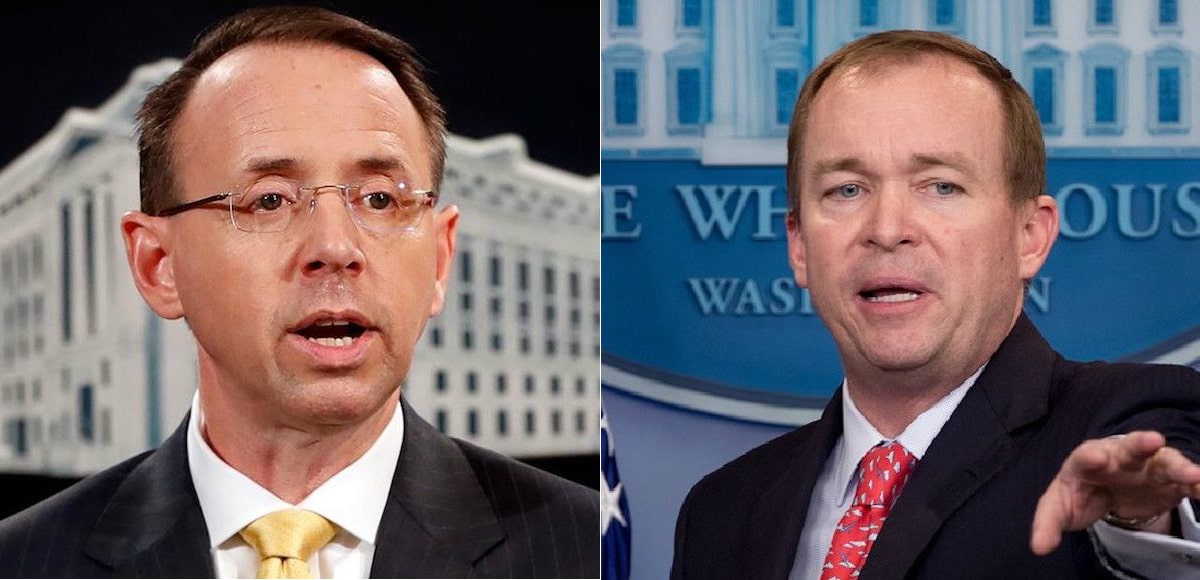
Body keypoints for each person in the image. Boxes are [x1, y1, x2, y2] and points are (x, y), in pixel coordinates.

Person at [0, 7, 597, 579]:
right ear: (159, 265)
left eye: (381, 199)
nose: (336, 247)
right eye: (269, 200)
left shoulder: (598, 555)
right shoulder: (24, 563)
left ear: (440, 258)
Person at [671, 30, 1200, 580]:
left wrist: (1142, 521)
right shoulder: (721, 512)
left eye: (940, 186)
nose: (887, 229)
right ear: (799, 245)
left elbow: (1168, 504)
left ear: (1029, 236)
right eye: (847, 190)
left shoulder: (1139, 420)